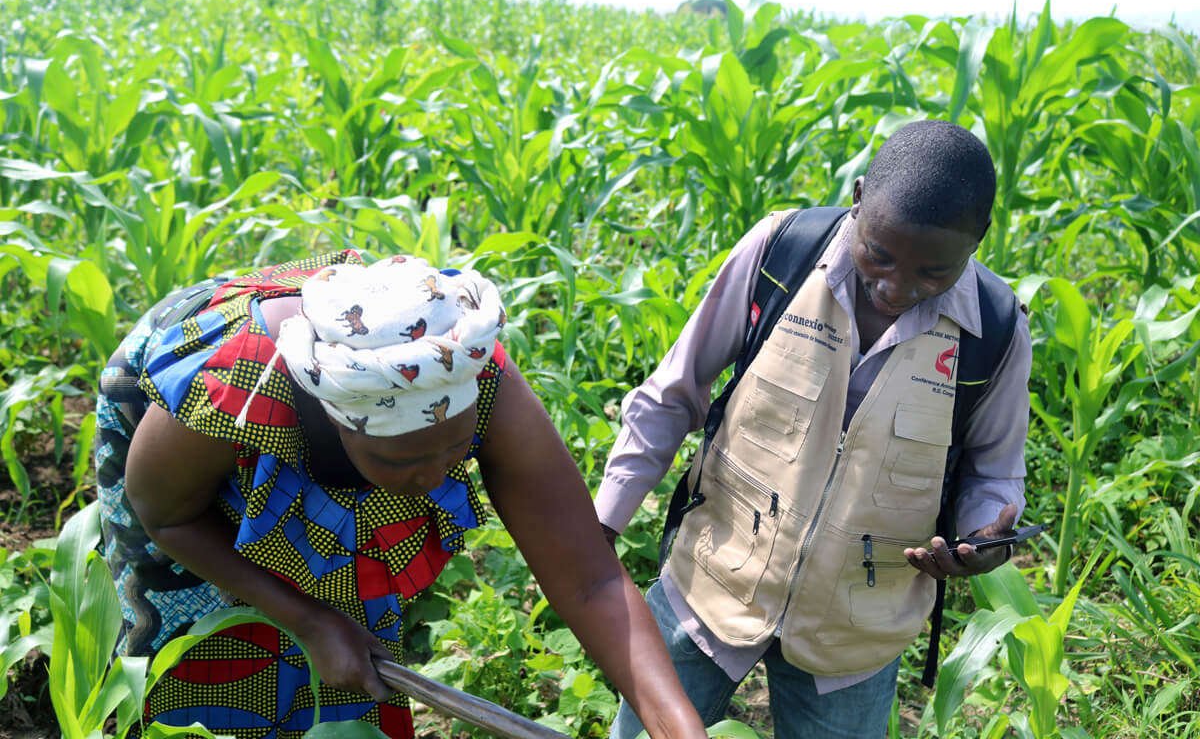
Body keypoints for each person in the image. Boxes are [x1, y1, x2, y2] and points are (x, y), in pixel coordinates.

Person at [96, 251, 706, 738]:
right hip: (175, 458)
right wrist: (307, 620)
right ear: (336, 421)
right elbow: (164, 515)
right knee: (200, 662)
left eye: (455, 448)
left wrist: (677, 727)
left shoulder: (470, 370)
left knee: (350, 654)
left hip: (314, 446)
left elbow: (591, 582)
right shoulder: (234, 384)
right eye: (403, 458)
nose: (435, 476)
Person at [597, 120, 1033, 739]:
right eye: (877, 254)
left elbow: (993, 471)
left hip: (855, 630)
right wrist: (604, 522)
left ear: (977, 240)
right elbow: (673, 393)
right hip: (711, 585)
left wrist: (981, 538)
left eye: (932, 274)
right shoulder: (781, 252)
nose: (894, 287)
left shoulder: (996, 329)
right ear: (857, 198)